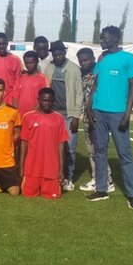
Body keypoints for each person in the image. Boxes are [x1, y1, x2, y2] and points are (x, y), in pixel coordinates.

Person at [86, 25, 133, 209]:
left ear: (115, 39)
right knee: (100, 151)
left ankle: (132, 194)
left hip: (118, 114)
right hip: (98, 112)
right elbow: (95, 84)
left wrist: (127, 114)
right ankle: (102, 190)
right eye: (101, 37)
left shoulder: (128, 58)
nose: (101, 40)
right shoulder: (102, 58)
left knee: (124, 153)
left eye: (104, 37)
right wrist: (88, 106)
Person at [43, 40, 83, 191]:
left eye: (60, 54)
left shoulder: (74, 69)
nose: (58, 57)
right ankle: (55, 175)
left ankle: (69, 178)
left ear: (65, 53)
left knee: (70, 148)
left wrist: (76, 116)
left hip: (69, 115)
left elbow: (79, 94)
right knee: (53, 148)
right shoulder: (49, 67)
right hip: (53, 114)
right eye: (55, 54)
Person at [76, 47, 114, 193]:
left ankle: (103, 180)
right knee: (92, 150)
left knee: (98, 149)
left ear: (93, 59)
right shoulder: (82, 73)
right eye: (81, 61)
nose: (83, 63)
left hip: (97, 116)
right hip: (87, 117)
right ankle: (102, 179)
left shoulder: (100, 71)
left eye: (86, 60)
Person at [19, 88, 69, 199]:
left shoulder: (59, 118)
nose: (47, 103)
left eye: (50, 101)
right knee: (29, 195)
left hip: (51, 170)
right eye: (44, 100)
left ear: (54, 101)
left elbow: (61, 146)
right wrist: (21, 167)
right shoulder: (28, 117)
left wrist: (61, 170)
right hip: (32, 169)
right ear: (39, 100)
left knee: (53, 196)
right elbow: (24, 143)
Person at [0, 32, 22, 105]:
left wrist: (14, 101)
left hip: (9, 101)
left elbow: (18, 82)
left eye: (3, 44)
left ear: (7, 43)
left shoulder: (15, 60)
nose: (1, 46)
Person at [11, 50, 50, 118]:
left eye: (31, 62)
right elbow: (15, 98)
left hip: (35, 117)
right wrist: (15, 115)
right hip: (20, 117)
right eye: (27, 63)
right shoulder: (20, 78)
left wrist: (32, 115)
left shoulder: (43, 79)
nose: (29, 65)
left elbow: (44, 100)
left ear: (37, 62)